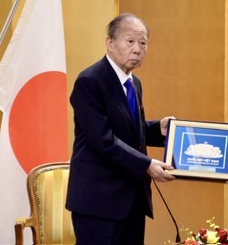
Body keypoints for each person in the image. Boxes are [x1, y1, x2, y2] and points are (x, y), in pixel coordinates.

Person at [66, 13, 175, 244]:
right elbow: (104, 139)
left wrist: (159, 130)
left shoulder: (133, 83)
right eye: (130, 41)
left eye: (143, 43)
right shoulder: (90, 81)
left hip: (132, 200)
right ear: (110, 43)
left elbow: (127, 130)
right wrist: (147, 164)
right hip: (99, 203)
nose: (137, 49)